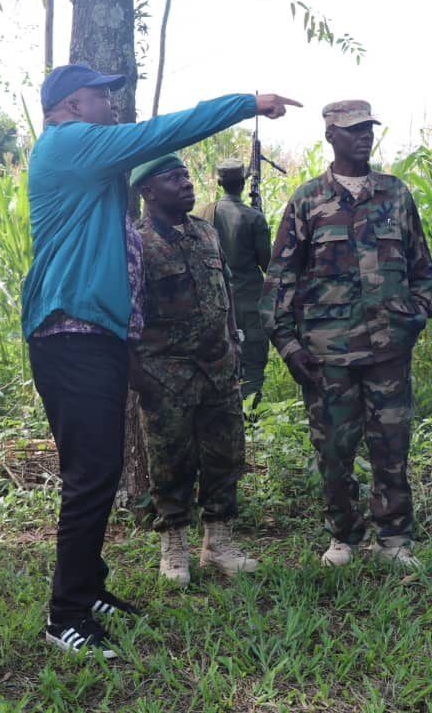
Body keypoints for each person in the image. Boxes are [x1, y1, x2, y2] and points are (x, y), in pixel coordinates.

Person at [21, 62, 298, 658]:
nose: (112, 106)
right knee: (91, 477)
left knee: (97, 470)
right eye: (102, 95)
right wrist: (247, 101)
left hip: (92, 336)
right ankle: (64, 613)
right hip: (70, 334)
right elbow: (163, 134)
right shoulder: (70, 144)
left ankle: (88, 588)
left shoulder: (88, 167)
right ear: (70, 105)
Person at [260, 100, 432, 567]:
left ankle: (395, 540)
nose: (364, 135)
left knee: (392, 447)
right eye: (353, 129)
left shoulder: (395, 195)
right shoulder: (307, 201)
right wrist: (288, 344)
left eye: (368, 128)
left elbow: (423, 268)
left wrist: (414, 317)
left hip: (388, 351)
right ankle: (344, 536)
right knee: (334, 453)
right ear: (330, 136)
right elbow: (280, 280)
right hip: (328, 357)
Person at [129, 154, 257, 587]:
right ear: (147, 191)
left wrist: (233, 337)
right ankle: (174, 546)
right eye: (173, 178)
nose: (186, 183)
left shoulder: (206, 232)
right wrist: (139, 374)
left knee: (225, 455)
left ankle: (218, 544)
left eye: (186, 175)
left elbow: (227, 291)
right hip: (167, 374)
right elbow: (126, 312)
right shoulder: (137, 241)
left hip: (218, 368)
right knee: (170, 462)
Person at [197, 159, 271, 403]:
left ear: (220, 183)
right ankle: (251, 420)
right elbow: (267, 263)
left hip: (215, 301)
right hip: (249, 302)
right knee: (252, 363)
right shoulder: (253, 218)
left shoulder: (201, 215)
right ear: (243, 183)